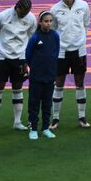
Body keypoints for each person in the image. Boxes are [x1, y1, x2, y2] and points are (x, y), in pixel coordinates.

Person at [49, 0, 91, 129]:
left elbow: (86, 24)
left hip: (79, 50)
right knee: (58, 83)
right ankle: (55, 118)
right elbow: (53, 29)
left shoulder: (84, 6)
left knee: (80, 83)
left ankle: (82, 117)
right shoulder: (55, 9)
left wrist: (79, 40)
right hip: (61, 52)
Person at [0, 0, 35, 132]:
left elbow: (31, 37)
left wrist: (26, 59)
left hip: (20, 58)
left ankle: (17, 122)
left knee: (18, 88)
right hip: (2, 57)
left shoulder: (30, 18)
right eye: (22, 12)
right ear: (17, 7)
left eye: (27, 12)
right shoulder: (3, 16)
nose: (24, 15)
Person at [25, 12, 61, 140]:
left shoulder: (55, 36)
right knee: (34, 103)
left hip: (50, 75)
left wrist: (52, 70)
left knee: (47, 103)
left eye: (51, 21)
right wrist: (35, 67)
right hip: (36, 76)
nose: (49, 23)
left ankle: (46, 127)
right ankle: (33, 128)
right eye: (46, 21)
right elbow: (28, 56)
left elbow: (55, 53)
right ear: (40, 22)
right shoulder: (35, 37)